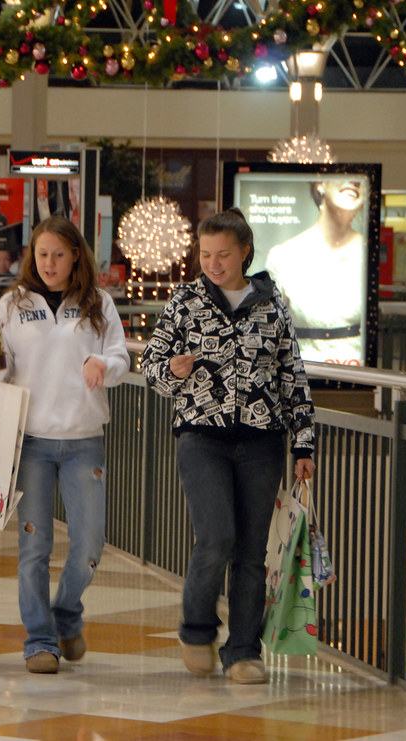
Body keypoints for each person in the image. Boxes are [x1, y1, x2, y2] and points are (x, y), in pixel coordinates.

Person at [140, 208, 316, 685]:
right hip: (201, 437)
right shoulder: (185, 301)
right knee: (216, 536)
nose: (213, 264)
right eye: (205, 255)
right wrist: (171, 371)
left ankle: (242, 651)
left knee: (252, 553)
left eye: (223, 255)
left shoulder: (272, 304)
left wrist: (304, 445)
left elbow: (292, 375)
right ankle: (197, 629)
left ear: (245, 253)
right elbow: (151, 366)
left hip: (262, 441)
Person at [0, 216, 130, 674]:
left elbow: (120, 357)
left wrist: (102, 364)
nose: (49, 263)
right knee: (34, 547)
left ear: (75, 255)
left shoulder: (97, 302)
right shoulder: (13, 303)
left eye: (59, 255)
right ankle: (40, 640)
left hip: (84, 441)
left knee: (90, 544)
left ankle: (66, 611)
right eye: (42, 254)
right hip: (31, 442)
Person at [264, 178, 368, 364]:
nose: (354, 182)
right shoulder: (284, 255)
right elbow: (270, 326)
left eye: (360, 181)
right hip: (301, 369)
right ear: (320, 184)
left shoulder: (368, 254)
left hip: (357, 370)